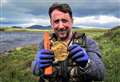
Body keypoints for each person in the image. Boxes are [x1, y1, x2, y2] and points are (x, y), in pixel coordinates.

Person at [32, 3, 105, 82]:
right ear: (51, 23)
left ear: (72, 21)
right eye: (56, 21)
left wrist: (87, 64)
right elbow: (35, 70)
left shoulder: (88, 42)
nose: (61, 26)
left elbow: (100, 74)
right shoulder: (45, 43)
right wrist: (38, 66)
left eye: (64, 21)